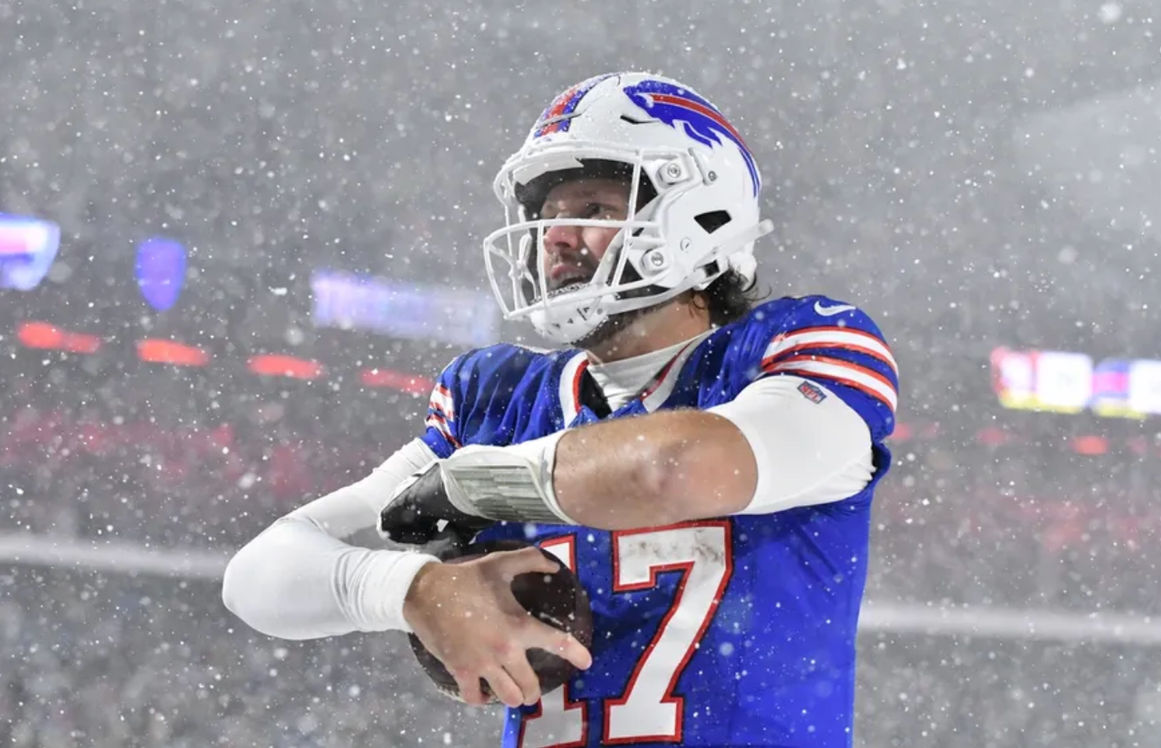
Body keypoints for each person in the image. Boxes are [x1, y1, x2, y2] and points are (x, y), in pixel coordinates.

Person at [223, 71, 899, 748]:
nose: (555, 238)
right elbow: (259, 576)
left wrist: (474, 485)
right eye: (548, 214)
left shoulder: (797, 347)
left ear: (701, 214)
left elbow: (674, 468)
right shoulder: (498, 399)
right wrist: (406, 587)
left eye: (596, 209)